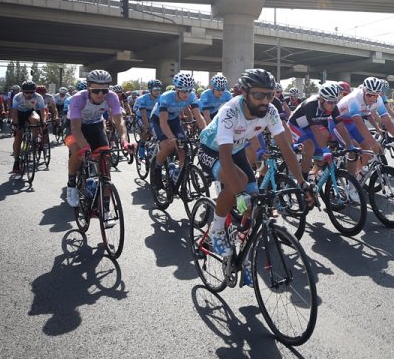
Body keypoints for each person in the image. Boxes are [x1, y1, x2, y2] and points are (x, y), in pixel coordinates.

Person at [197, 69, 312, 286]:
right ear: (245, 93)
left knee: (254, 204)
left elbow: (286, 148)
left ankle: (244, 255)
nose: (265, 101)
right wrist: (239, 192)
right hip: (212, 150)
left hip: (237, 148)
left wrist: (302, 181)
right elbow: (224, 155)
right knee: (237, 183)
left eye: (270, 95)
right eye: (259, 95)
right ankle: (217, 230)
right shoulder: (230, 111)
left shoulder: (270, 111)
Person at [64, 70, 128, 228]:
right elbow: (76, 129)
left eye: (104, 90)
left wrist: (124, 140)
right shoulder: (78, 99)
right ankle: (72, 184)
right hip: (76, 128)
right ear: (88, 89)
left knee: (105, 164)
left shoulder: (112, 97)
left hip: (96, 126)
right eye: (95, 90)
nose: (100, 94)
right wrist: (85, 147)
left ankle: (105, 209)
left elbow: (119, 121)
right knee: (78, 152)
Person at [335, 76, 394, 178]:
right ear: (363, 91)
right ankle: (350, 182)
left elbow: (386, 120)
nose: (373, 98)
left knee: (367, 149)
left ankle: (356, 176)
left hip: (350, 123)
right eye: (369, 95)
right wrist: (373, 143)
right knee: (354, 149)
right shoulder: (354, 98)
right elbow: (359, 122)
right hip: (337, 123)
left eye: (376, 95)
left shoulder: (378, 100)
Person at [150, 71, 206, 187]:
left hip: (174, 120)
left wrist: (206, 133)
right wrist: (171, 138)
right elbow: (163, 122)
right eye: (184, 90)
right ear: (176, 89)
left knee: (182, 146)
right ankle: (157, 169)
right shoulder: (166, 97)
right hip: (158, 120)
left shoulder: (191, 97)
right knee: (168, 145)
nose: (187, 94)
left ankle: (178, 171)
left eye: (189, 90)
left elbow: (199, 117)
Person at [287, 82, 354, 179]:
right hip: (295, 126)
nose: (333, 105)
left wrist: (349, 144)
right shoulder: (311, 105)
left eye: (335, 101)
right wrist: (325, 149)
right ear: (322, 99)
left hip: (308, 127)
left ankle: (313, 174)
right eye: (330, 102)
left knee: (321, 158)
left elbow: (340, 125)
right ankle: (303, 180)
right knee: (309, 146)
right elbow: (315, 129)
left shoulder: (333, 106)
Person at [9, 81, 48, 175]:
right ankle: (16, 161)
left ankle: (34, 139)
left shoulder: (38, 97)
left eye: (32, 92)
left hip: (30, 112)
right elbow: (14, 112)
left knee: (36, 119)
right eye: (26, 92)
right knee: (18, 137)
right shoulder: (17, 97)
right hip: (19, 114)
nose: (29, 94)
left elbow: (42, 111)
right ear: (22, 91)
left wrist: (43, 122)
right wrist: (15, 123)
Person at [132, 79, 162, 147]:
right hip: (141, 116)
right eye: (155, 89)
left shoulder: (162, 98)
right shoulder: (142, 99)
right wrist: (147, 126)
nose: (157, 91)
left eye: (159, 89)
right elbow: (143, 114)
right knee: (147, 130)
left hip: (153, 115)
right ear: (150, 90)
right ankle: (141, 146)